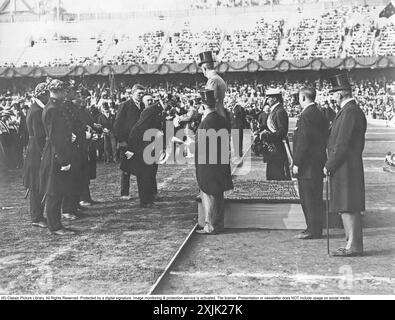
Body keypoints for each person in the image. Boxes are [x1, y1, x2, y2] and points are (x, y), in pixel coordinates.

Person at [324, 74, 367, 257]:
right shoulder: (348, 110)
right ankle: (350, 242)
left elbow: (342, 143)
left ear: (341, 93)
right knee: (344, 205)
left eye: (334, 93)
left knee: (349, 205)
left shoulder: (350, 111)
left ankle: (354, 245)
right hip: (345, 166)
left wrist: (329, 165)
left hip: (346, 166)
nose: (332, 96)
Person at [39, 79, 75, 236]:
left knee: (58, 191)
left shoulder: (54, 107)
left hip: (57, 154)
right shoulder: (53, 109)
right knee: (54, 192)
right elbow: (55, 137)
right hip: (55, 156)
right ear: (58, 91)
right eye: (64, 91)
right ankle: (55, 226)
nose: (66, 93)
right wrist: (63, 160)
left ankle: (56, 224)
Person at [292, 86, 329, 240]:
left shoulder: (306, 115)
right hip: (317, 162)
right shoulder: (319, 113)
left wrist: (297, 162)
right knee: (315, 197)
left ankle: (312, 229)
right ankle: (316, 228)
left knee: (308, 198)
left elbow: (303, 141)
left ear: (303, 98)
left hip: (307, 165)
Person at [195, 89, 234, 235]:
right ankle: (217, 224)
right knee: (217, 194)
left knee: (208, 193)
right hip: (220, 162)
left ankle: (210, 225)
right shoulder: (221, 119)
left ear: (203, 106)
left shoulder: (207, 122)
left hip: (209, 164)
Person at [124, 95, 166, 208]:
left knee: (150, 174)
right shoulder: (146, 114)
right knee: (144, 175)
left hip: (149, 147)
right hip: (141, 149)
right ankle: (146, 201)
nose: (151, 102)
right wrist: (159, 105)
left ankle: (149, 198)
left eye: (152, 100)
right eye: (148, 100)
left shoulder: (151, 116)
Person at [23, 83, 50, 228]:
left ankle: (38, 215)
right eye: (47, 94)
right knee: (36, 186)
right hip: (36, 152)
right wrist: (44, 154)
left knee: (38, 185)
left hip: (35, 150)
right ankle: (36, 217)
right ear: (41, 94)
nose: (49, 97)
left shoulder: (36, 108)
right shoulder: (37, 111)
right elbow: (40, 136)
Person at [114, 84, 146, 200]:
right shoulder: (124, 105)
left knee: (141, 167)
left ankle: (143, 193)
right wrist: (121, 141)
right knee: (126, 168)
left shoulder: (143, 105)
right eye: (139, 93)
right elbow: (118, 124)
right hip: (127, 142)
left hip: (140, 143)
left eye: (143, 93)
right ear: (132, 93)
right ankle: (124, 193)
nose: (141, 95)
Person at [261, 88, 291, 181]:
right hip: (274, 149)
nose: (267, 100)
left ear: (274, 99)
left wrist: (268, 136)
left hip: (277, 149)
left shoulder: (280, 111)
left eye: (269, 98)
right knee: (272, 175)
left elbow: (282, 131)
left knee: (277, 176)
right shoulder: (275, 110)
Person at [198, 51, 229, 123]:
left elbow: (209, 101)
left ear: (204, 68)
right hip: (220, 115)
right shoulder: (218, 78)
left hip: (214, 118)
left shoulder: (212, 80)